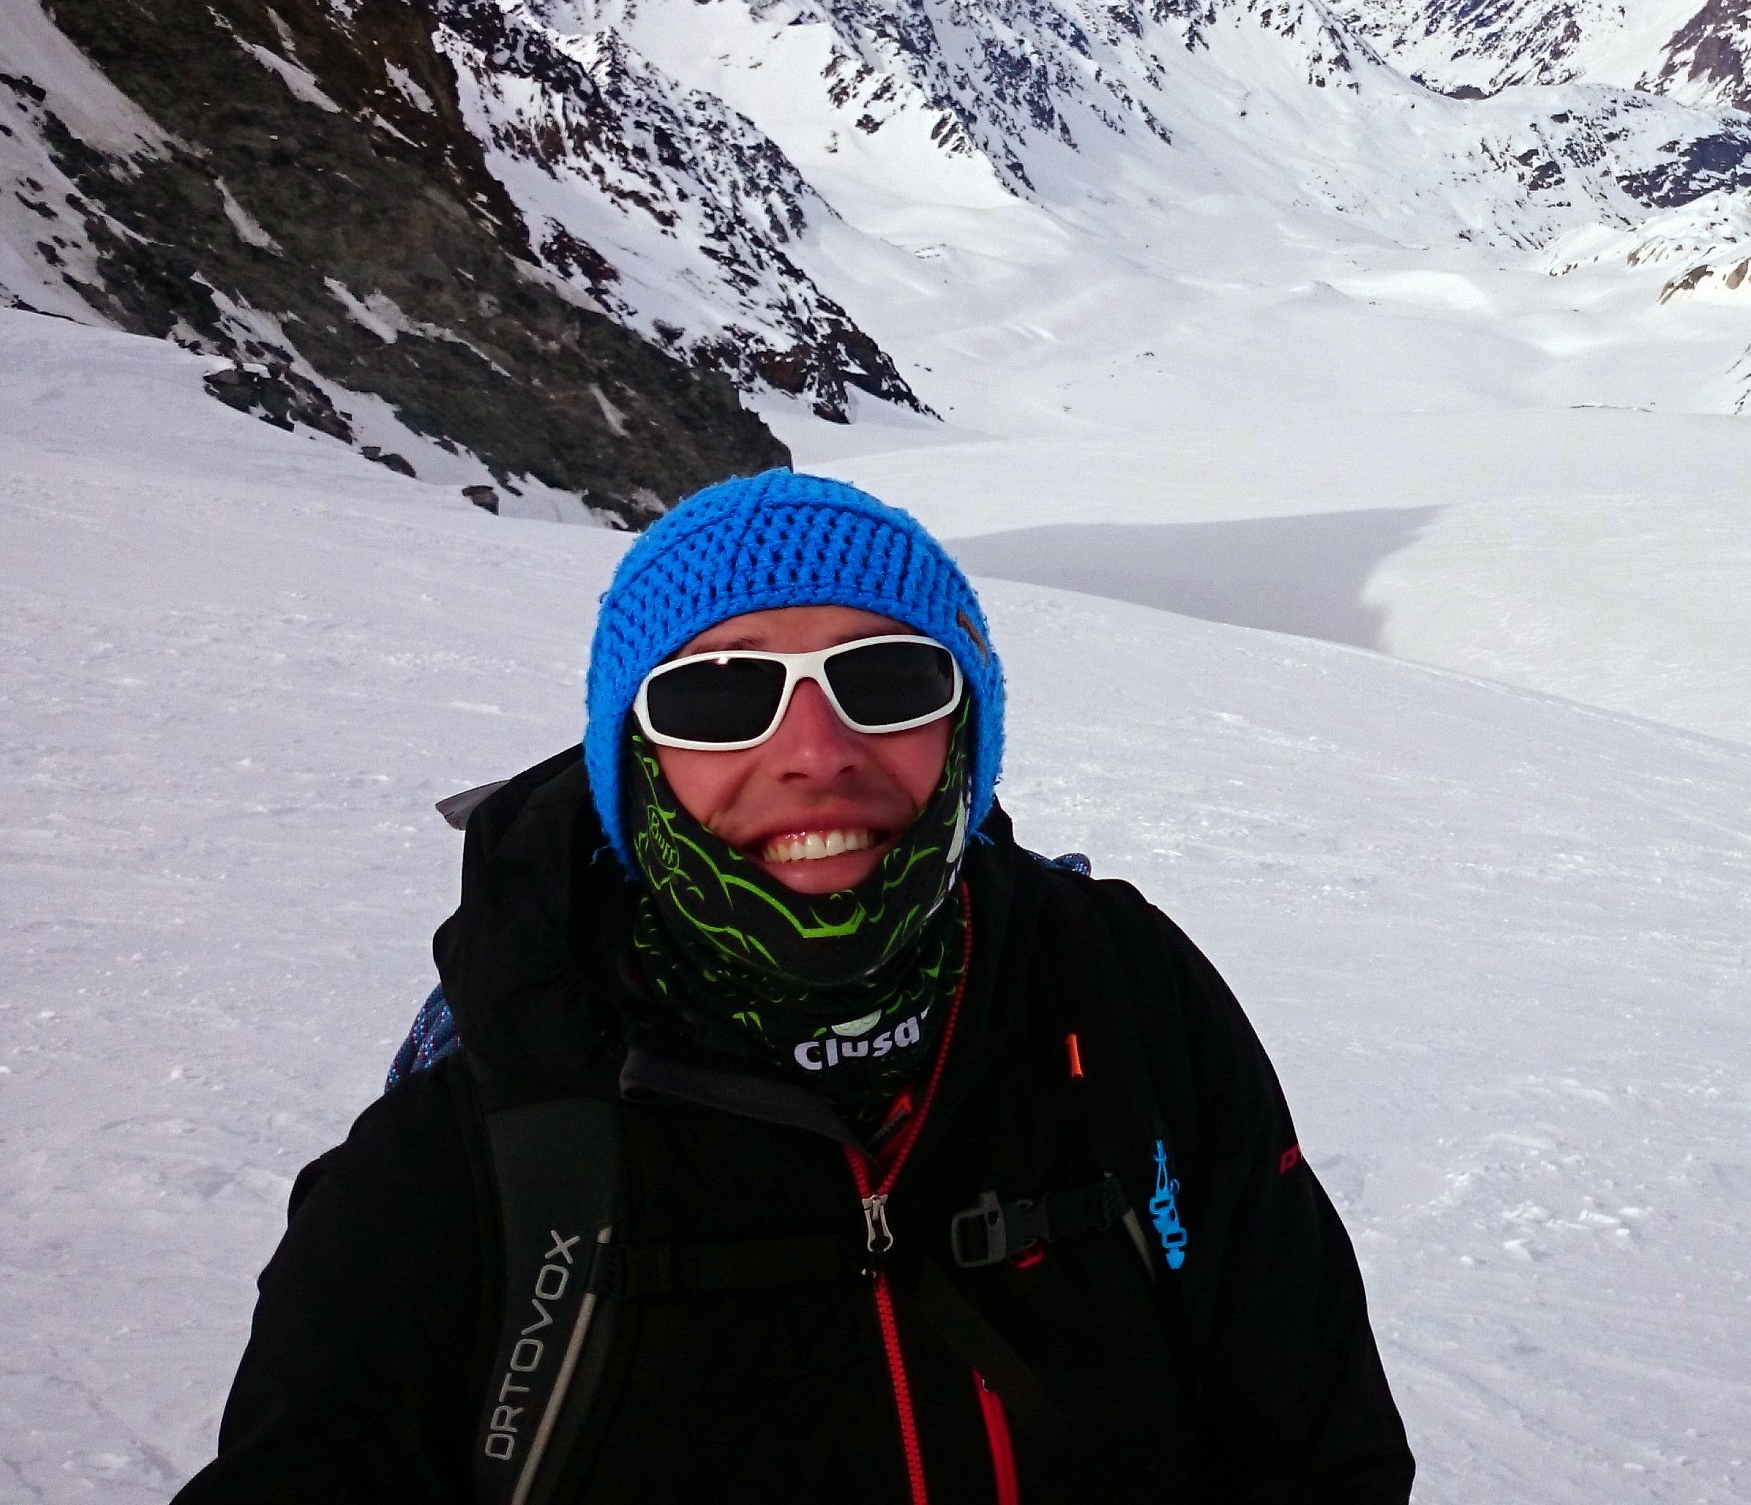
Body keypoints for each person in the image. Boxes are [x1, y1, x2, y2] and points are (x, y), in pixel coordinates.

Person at [177, 472, 1412, 1503]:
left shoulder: (1118, 989)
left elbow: (1315, 1442)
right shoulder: (484, 1121)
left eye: (888, 680)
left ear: (966, 727)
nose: (815, 752)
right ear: (633, 752)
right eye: (720, 695)